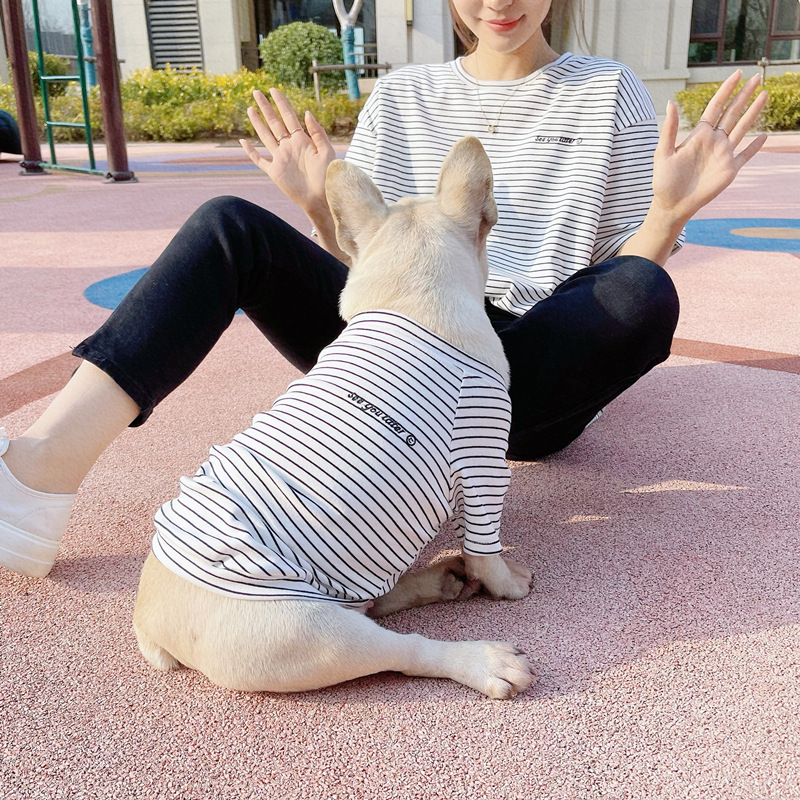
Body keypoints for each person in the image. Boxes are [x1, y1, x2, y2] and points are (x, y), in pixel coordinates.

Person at [0, 0, 768, 578]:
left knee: (644, 289)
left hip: (523, 375)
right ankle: (40, 473)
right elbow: (372, 268)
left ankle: (429, 470)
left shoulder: (609, 92)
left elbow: (610, 276)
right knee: (228, 224)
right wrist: (312, 204)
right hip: (397, 359)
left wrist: (667, 210)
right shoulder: (404, 96)